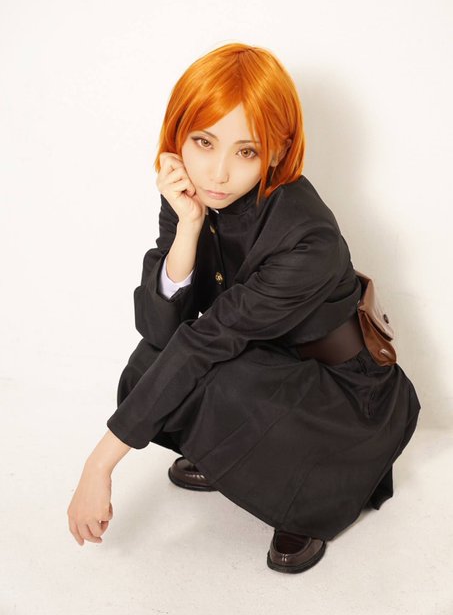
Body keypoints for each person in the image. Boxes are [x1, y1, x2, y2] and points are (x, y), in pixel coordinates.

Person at [67, 42, 421, 574]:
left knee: (219, 380)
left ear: (276, 151)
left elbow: (206, 340)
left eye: (246, 152)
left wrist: (98, 466)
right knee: (150, 362)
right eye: (203, 142)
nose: (217, 173)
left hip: (344, 394)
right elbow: (160, 327)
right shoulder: (191, 195)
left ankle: (305, 500)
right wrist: (187, 227)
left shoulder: (308, 239)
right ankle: (238, 459)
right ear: (178, 137)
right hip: (268, 359)